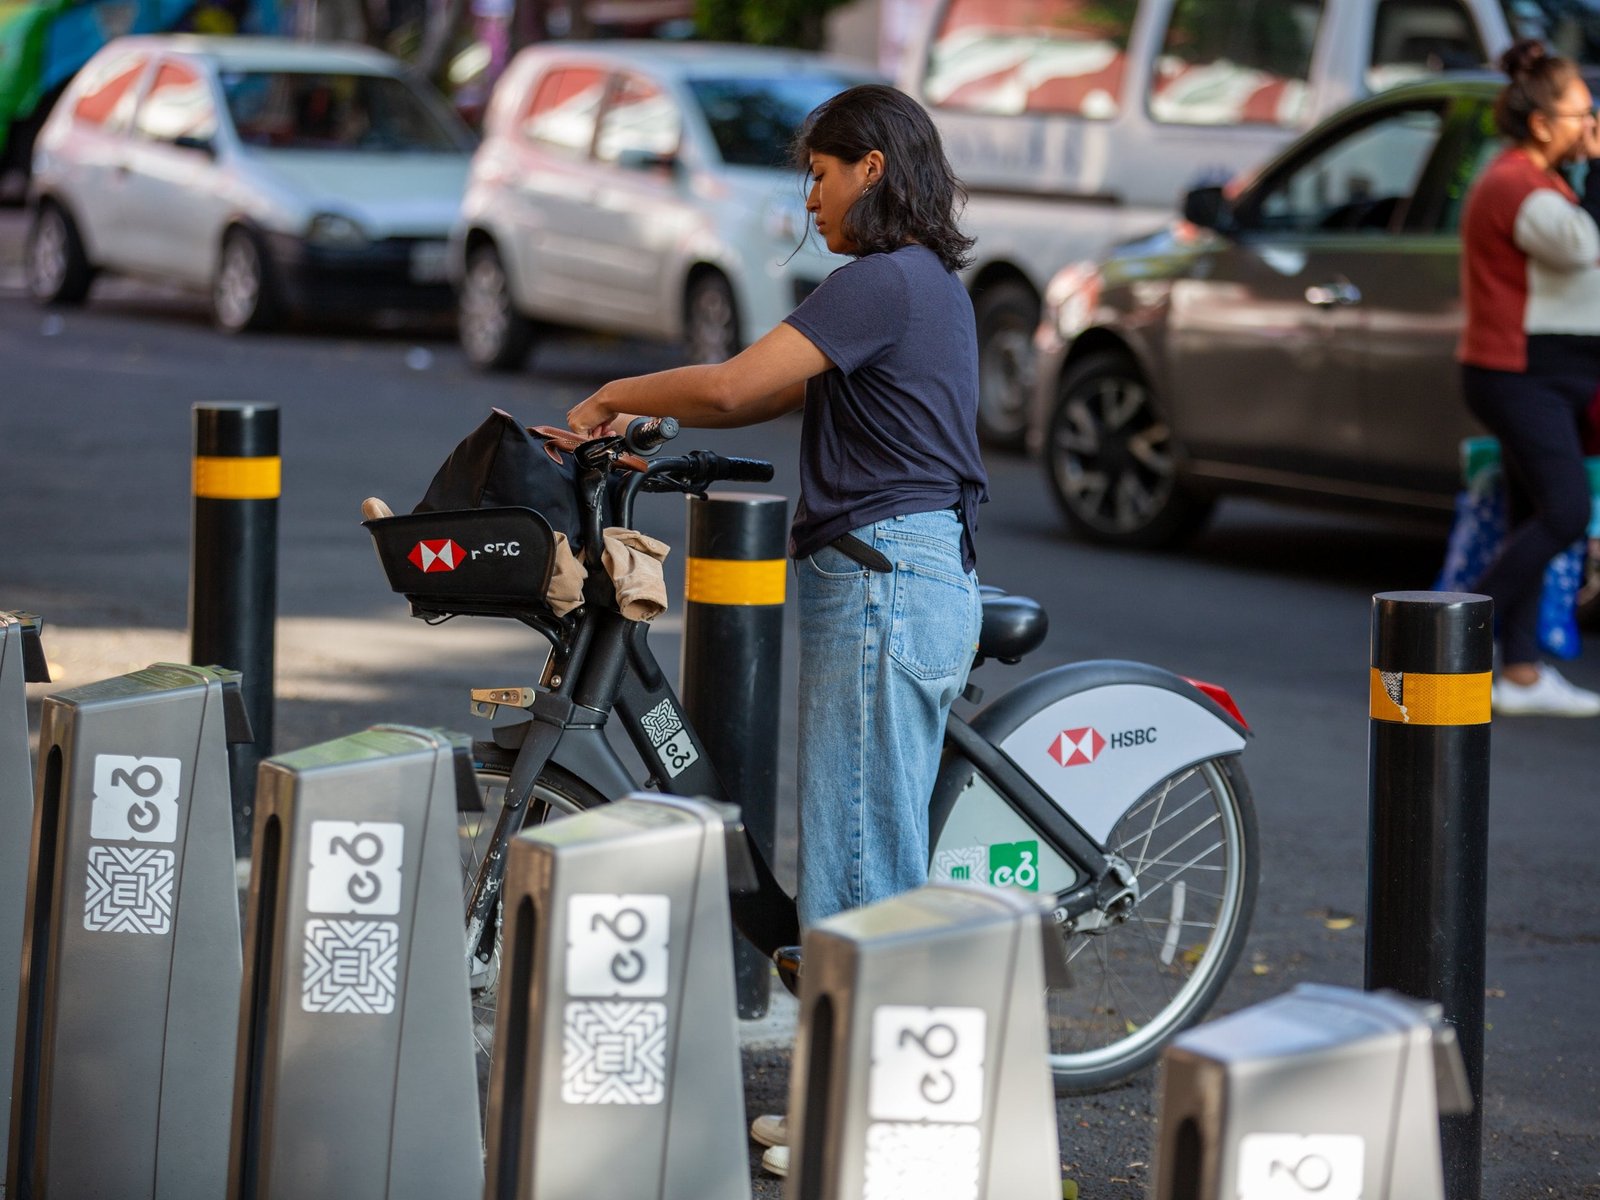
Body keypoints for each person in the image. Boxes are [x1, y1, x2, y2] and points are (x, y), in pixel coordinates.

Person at [566, 83, 988, 1175]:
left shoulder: (882, 281)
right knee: (864, 846)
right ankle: (841, 1097)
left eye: (818, 172)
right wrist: (659, 413)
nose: (808, 198)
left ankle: (854, 1121)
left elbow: (738, 379)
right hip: (902, 572)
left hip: (884, 582)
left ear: (873, 169)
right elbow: (755, 400)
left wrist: (616, 388)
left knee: (857, 858)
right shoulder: (922, 285)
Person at [1458, 39, 1600, 717]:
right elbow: (1587, 246)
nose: (1592, 124)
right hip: (1520, 376)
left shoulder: (1536, 179)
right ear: (1544, 123)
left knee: (1532, 515)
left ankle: (1517, 673)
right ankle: (1445, 640)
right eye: (1583, 114)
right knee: (1566, 510)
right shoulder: (1520, 186)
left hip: (1542, 372)